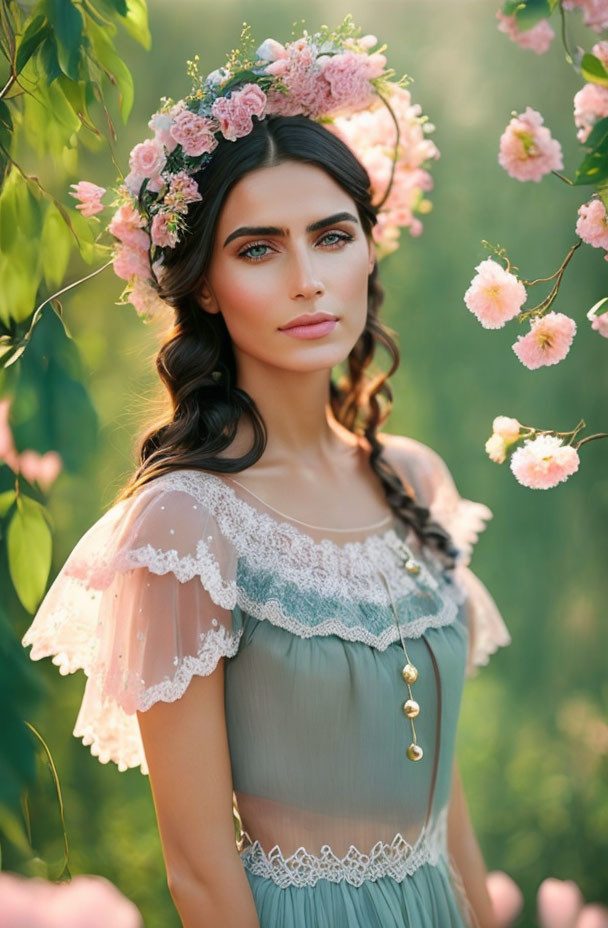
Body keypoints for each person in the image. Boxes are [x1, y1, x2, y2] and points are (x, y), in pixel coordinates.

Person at [21, 18, 512, 928]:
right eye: (258, 249)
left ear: (370, 248)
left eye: (331, 237)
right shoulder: (186, 527)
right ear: (204, 282)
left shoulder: (413, 478)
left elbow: (452, 820)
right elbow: (199, 873)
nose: (307, 281)